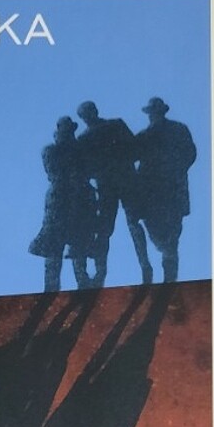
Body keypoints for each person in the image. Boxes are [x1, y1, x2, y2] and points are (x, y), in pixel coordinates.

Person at [28, 116, 96, 292]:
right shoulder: (54, 151)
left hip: (75, 200)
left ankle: (82, 287)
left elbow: (87, 171)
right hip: (62, 200)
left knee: (78, 247)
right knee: (56, 248)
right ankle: (53, 289)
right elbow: (56, 173)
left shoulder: (79, 150)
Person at [134, 97, 197, 283]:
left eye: (152, 113)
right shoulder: (170, 130)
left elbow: (190, 154)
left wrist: (175, 169)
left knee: (167, 238)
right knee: (167, 239)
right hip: (162, 192)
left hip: (162, 193)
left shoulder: (153, 134)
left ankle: (170, 279)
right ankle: (170, 276)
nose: (152, 116)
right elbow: (190, 154)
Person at [76, 101, 137, 287]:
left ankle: (143, 265)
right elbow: (85, 168)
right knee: (106, 229)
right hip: (108, 186)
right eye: (85, 115)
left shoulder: (114, 125)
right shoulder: (85, 138)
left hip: (122, 182)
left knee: (131, 222)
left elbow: (134, 148)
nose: (88, 117)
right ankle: (101, 272)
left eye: (89, 113)